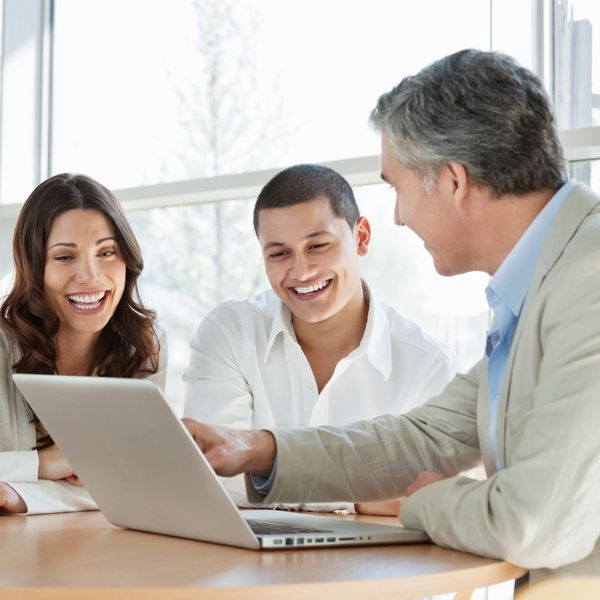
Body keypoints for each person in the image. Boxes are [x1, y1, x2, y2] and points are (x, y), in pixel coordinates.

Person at [183, 49, 600, 579]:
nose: (398, 216)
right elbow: (426, 436)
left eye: (396, 187)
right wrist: (259, 449)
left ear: (453, 181)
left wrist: (424, 503)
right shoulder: (543, 281)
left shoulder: (589, 279)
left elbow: (531, 522)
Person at [183, 163, 456, 510]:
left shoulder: (428, 365)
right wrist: (357, 499)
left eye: (318, 246)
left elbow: (434, 499)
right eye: (280, 253)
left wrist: (271, 475)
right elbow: (210, 478)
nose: (301, 271)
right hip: (248, 558)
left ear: (361, 238)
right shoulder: (230, 330)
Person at [0, 173, 167, 515]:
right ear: (34, 267)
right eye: (64, 257)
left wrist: (23, 495)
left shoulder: (145, 342)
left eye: (107, 252)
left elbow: (139, 479)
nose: (91, 276)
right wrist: (41, 465)